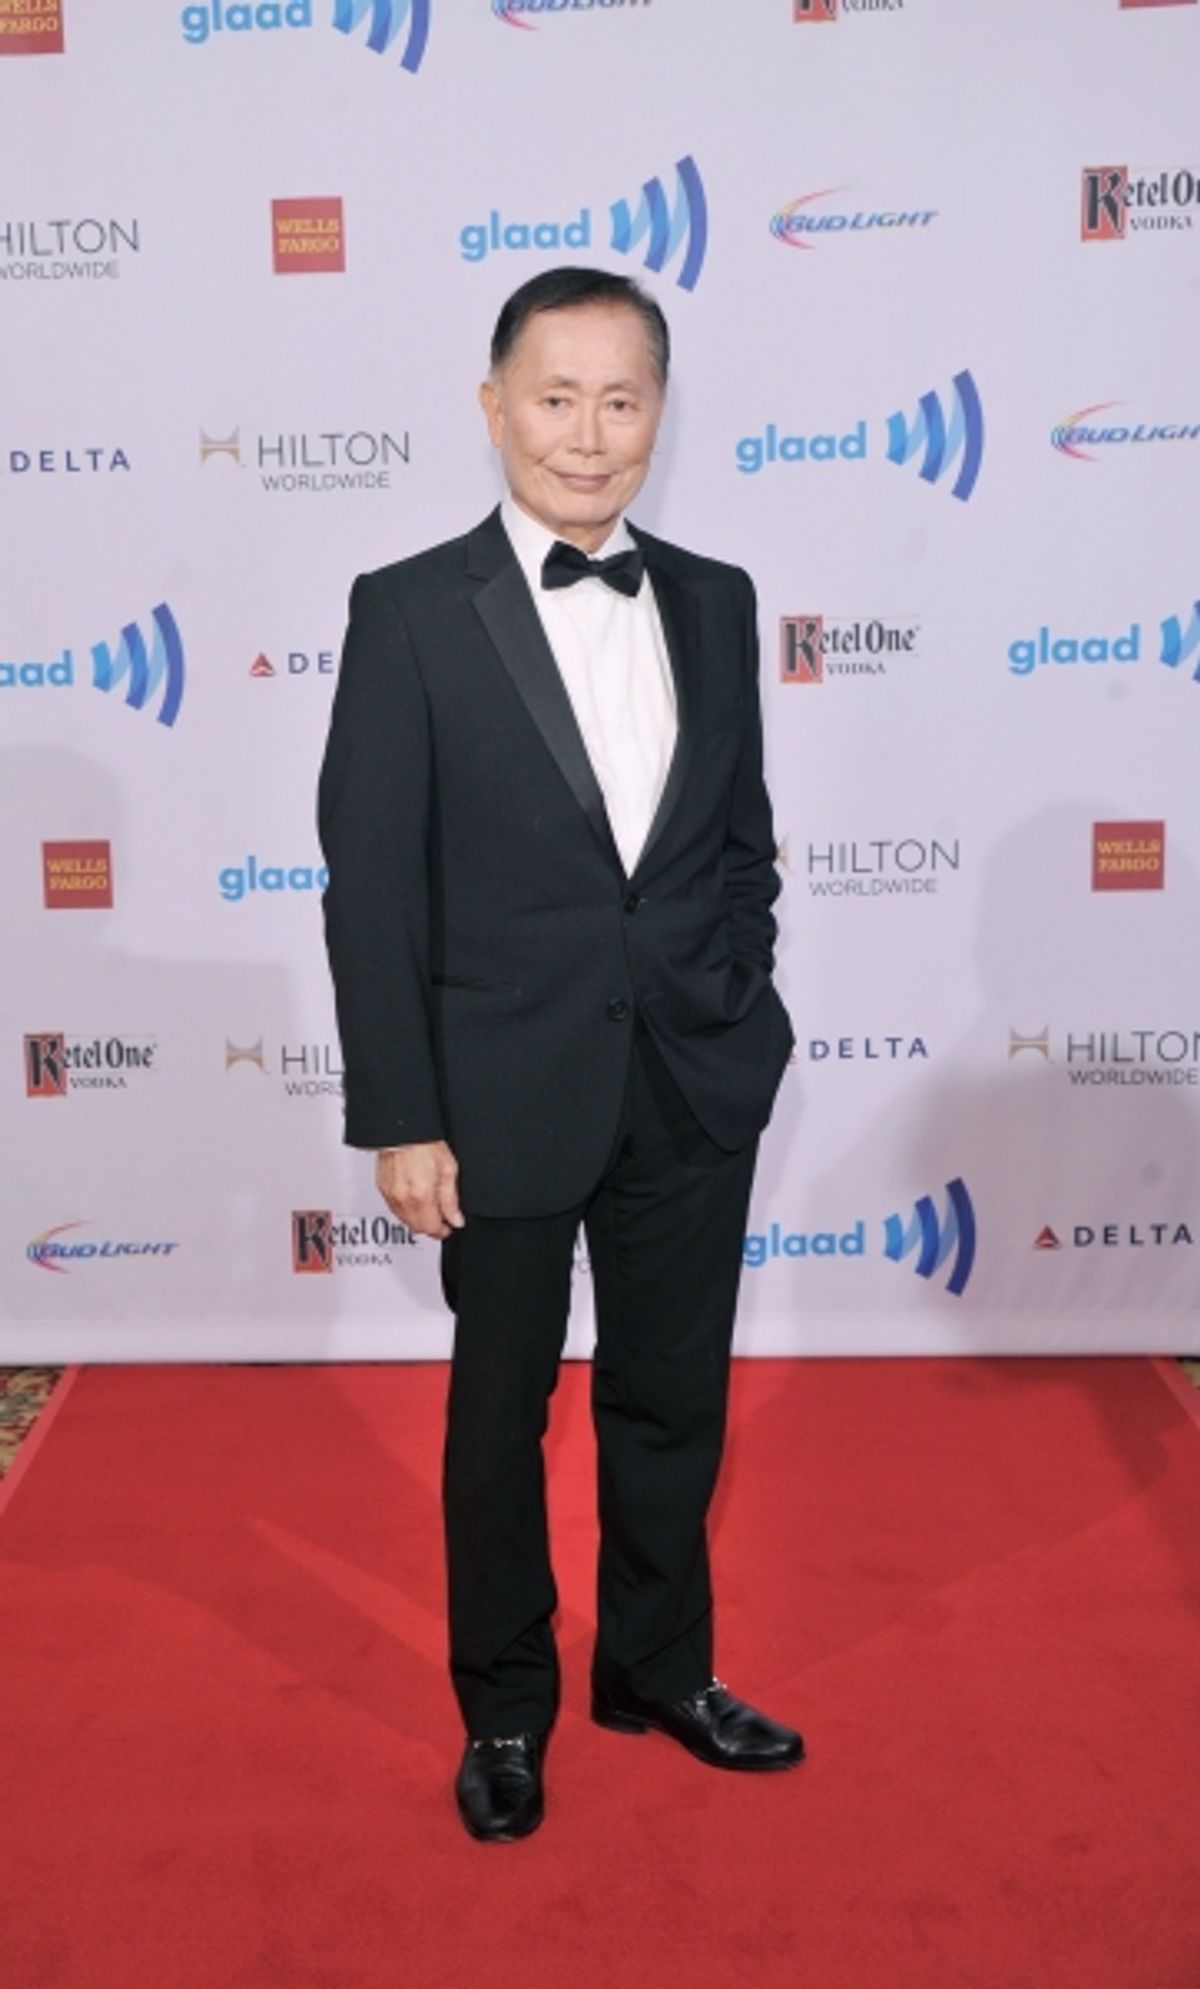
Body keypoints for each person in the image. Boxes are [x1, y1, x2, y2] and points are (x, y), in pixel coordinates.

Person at [318, 266, 802, 1844]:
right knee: (496, 1417)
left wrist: (738, 994)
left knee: (673, 1399)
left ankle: (661, 1666)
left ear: (660, 413)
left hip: (689, 1081)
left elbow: (742, 845)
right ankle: (507, 1705)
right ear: (491, 404)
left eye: (623, 400)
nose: (588, 436)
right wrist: (402, 1111)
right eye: (555, 396)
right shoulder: (408, 608)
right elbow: (373, 881)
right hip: (497, 1094)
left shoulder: (720, 598)